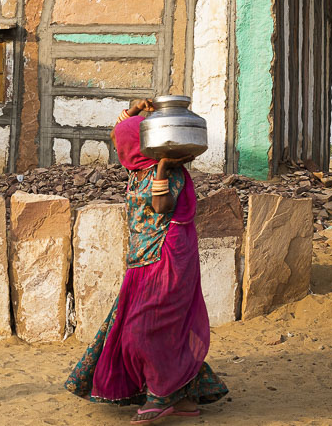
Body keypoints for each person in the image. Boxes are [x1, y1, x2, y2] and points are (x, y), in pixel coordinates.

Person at [64, 99, 228, 424]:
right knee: (152, 328)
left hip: (168, 258)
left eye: (126, 144)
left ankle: (160, 395)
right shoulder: (135, 169)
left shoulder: (165, 171)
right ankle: (182, 396)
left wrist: (165, 168)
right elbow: (121, 132)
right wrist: (134, 111)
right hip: (142, 259)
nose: (121, 148)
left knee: (147, 328)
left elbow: (162, 206)